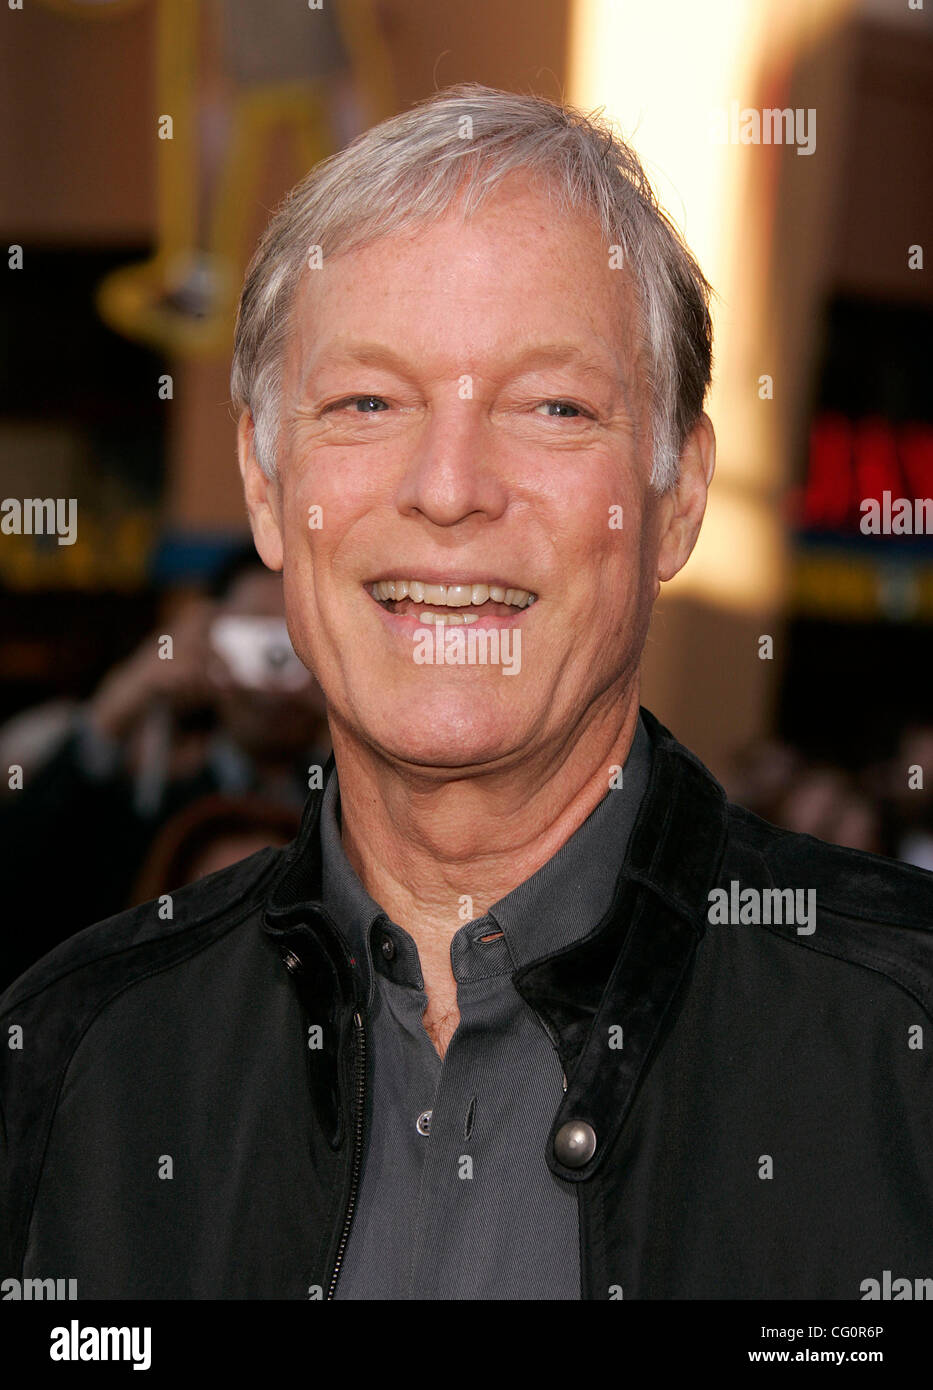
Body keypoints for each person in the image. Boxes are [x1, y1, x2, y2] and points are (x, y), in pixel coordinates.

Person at [2, 84, 931, 1301]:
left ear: (681, 498)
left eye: (552, 406)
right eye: (368, 403)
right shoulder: (75, 1065)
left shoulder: (898, 1055)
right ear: (269, 487)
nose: (448, 488)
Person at [0, 547, 330, 987]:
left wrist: (351, 718)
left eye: (291, 638)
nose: (273, 664)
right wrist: (121, 701)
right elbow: (23, 887)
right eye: (253, 636)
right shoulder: (150, 803)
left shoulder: (347, 806)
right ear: (209, 641)